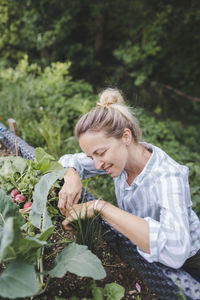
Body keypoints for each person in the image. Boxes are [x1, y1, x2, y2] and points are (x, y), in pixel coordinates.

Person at [58, 88, 200, 280]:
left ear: (126, 136)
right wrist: (72, 175)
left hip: (190, 265)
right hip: (147, 253)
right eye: (91, 156)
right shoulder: (118, 159)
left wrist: (101, 207)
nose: (97, 164)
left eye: (100, 153)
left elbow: (175, 250)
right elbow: (67, 160)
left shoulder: (168, 176)